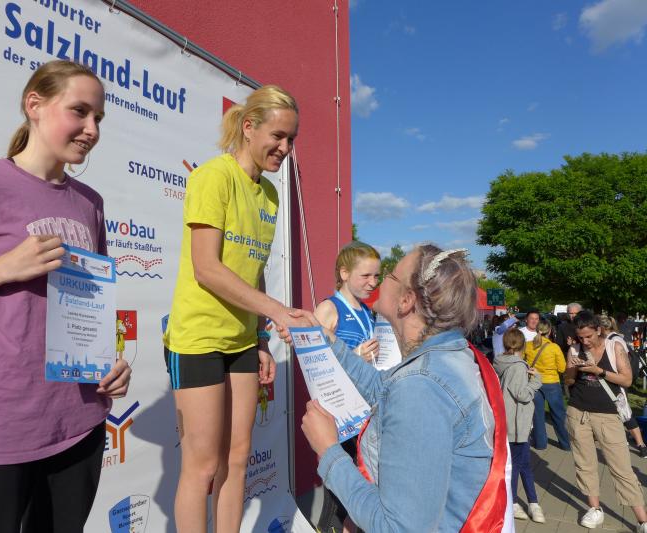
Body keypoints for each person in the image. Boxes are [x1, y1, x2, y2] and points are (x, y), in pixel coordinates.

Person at [0, 60, 132, 533]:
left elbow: (90, 305)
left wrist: (109, 362)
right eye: (79, 111)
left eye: (98, 118)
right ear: (35, 105)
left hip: (79, 419)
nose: (92, 130)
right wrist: (5, 267)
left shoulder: (90, 203)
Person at [162, 85, 304, 533]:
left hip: (242, 341)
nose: (284, 148)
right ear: (248, 127)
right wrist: (278, 310)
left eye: (291, 139)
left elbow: (253, 270)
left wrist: (261, 336)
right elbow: (207, 268)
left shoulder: (271, 195)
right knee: (202, 466)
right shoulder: (213, 177)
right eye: (277, 136)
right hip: (198, 339)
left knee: (238, 458)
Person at [296, 246, 510, 531]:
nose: (380, 281)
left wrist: (328, 450)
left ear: (406, 300)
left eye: (390, 276)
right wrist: (326, 338)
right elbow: (381, 388)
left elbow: (398, 528)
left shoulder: (421, 387)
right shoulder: (446, 358)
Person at [312, 241, 380, 532]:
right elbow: (314, 366)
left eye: (376, 276)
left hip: (366, 415)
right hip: (340, 418)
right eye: (366, 276)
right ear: (344, 273)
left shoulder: (366, 310)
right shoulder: (329, 308)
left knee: (363, 495)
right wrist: (354, 356)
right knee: (340, 500)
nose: (373, 282)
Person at [564, 311, 647, 531]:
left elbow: (627, 380)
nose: (585, 341)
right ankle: (595, 509)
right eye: (581, 337)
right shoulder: (574, 349)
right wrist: (573, 368)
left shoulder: (614, 347)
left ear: (598, 330)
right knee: (585, 464)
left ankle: (643, 520)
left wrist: (598, 371)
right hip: (578, 412)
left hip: (608, 415)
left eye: (589, 336)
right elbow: (569, 381)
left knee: (622, 468)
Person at [494, 328, 545, 523]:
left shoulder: (501, 362)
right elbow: (522, 395)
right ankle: (513, 502)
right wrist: (536, 381)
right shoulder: (517, 366)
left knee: (523, 463)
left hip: (510, 421)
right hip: (516, 423)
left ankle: (533, 502)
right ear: (523, 345)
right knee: (517, 465)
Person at [599, 315, 647, 457]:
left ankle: (641, 445)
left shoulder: (615, 340)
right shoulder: (613, 338)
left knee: (625, 412)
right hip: (611, 380)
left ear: (602, 328)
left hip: (617, 381)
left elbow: (621, 364)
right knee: (617, 411)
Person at [523, 319, 570, 450]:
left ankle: (540, 444)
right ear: (549, 331)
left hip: (534, 382)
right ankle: (566, 444)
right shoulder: (554, 347)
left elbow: (523, 362)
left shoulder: (527, 345)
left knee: (537, 415)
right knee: (558, 415)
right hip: (551, 383)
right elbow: (562, 368)